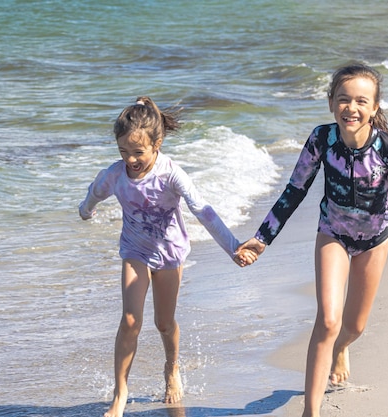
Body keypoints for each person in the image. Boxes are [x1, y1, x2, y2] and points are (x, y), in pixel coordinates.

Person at [236, 64, 388, 417]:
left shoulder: (387, 148)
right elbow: (294, 189)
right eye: (343, 99)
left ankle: (342, 347)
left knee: (354, 326)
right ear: (330, 103)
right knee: (328, 319)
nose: (350, 108)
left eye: (360, 101)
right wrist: (262, 238)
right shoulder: (321, 140)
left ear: (374, 107)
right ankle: (312, 410)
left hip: (374, 240)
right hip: (333, 235)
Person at [79, 96, 256, 417]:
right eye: (123, 152)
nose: (130, 160)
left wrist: (233, 248)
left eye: (138, 152)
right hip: (135, 250)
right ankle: (120, 394)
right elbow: (96, 190)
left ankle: (171, 367)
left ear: (157, 143)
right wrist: (85, 209)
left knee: (163, 322)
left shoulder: (171, 173)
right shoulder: (116, 174)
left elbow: (204, 211)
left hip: (170, 253)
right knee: (130, 320)